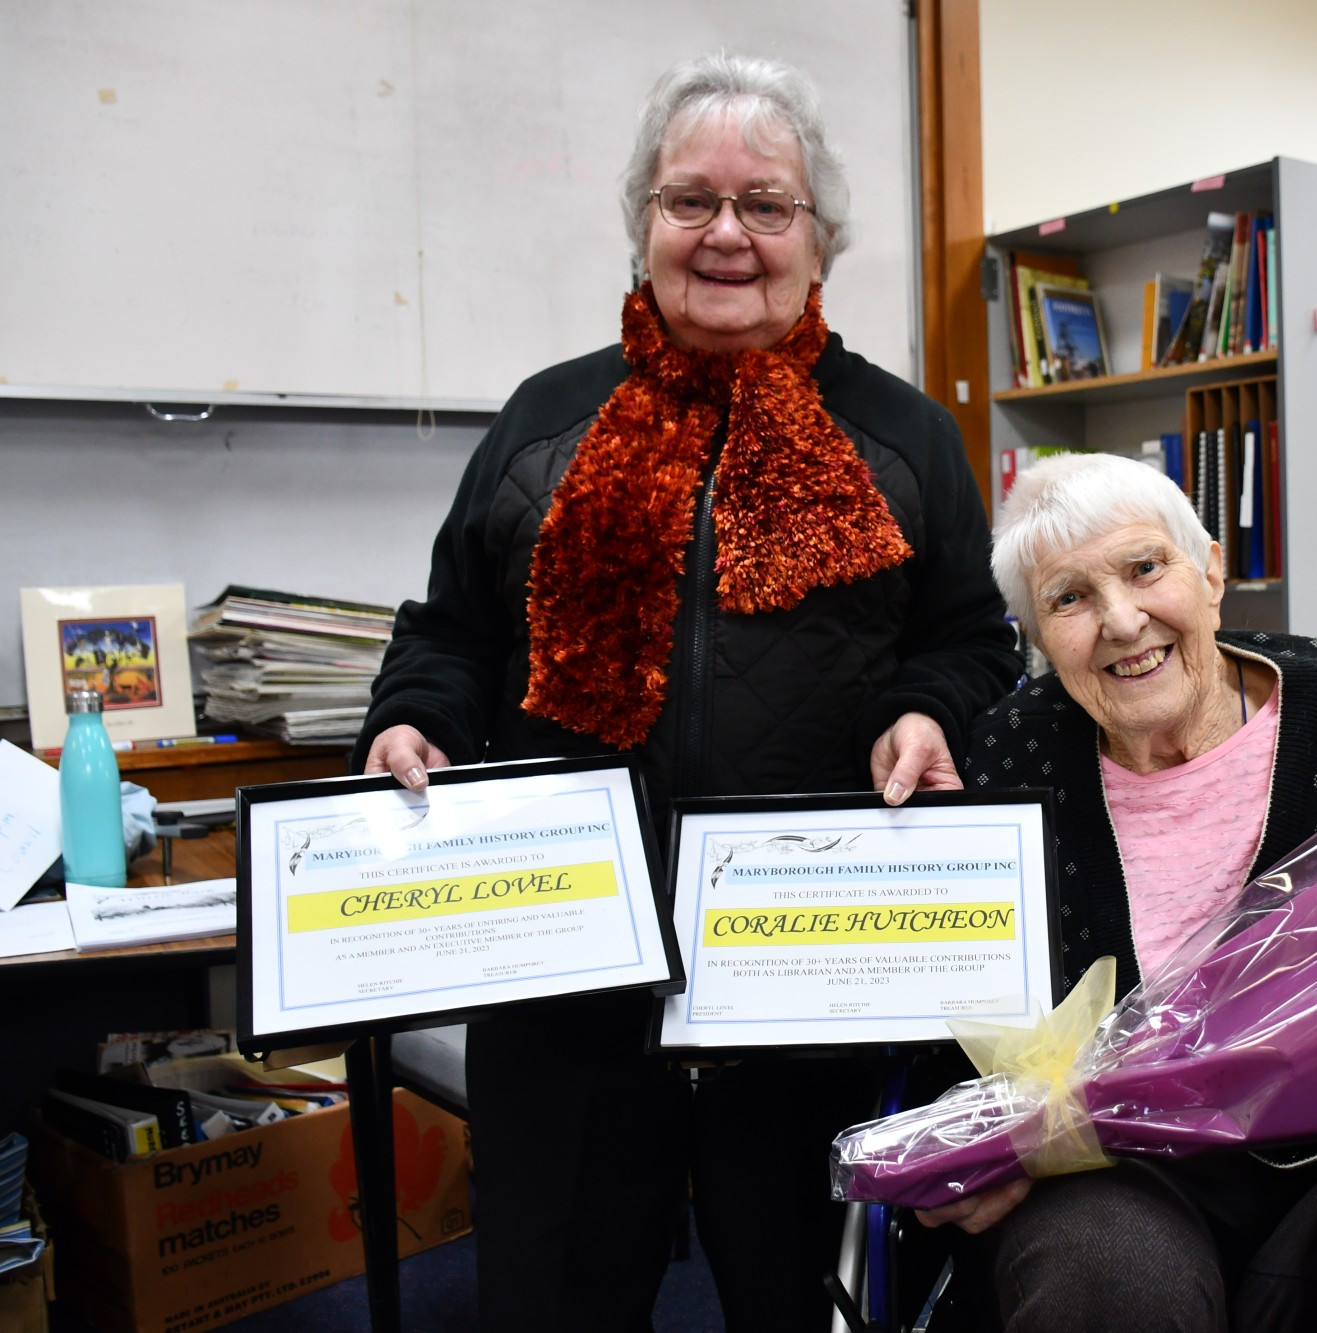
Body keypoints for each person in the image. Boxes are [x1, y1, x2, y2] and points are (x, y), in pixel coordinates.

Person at [352, 53, 1019, 1331]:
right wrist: (411, 721)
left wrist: (928, 710)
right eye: (689, 201)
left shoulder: (906, 436)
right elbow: (448, 632)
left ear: (819, 239)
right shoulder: (543, 422)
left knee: (802, 1301)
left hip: (813, 980)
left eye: (765, 205)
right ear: (642, 223)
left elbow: (969, 641)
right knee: (556, 1294)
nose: (725, 234)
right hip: (565, 980)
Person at [919, 452, 1317, 1331]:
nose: (1122, 620)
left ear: (1211, 569)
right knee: (1103, 1280)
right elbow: (961, 1022)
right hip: (1114, 1172)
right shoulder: (1010, 758)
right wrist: (986, 1144)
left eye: (1146, 568)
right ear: (1035, 634)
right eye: (1069, 598)